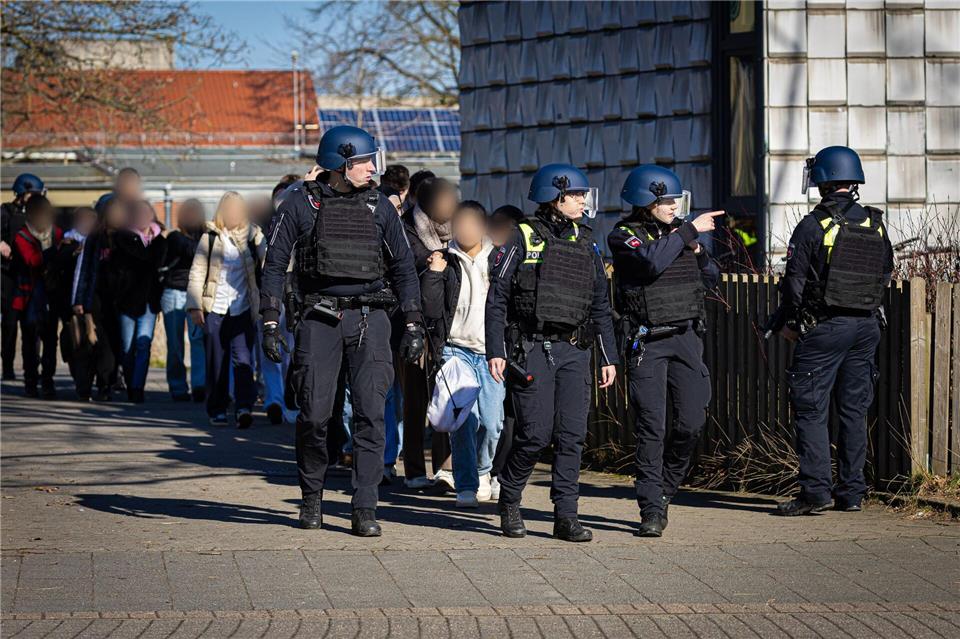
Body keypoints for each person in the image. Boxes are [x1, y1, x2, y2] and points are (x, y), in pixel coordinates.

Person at [259, 125, 424, 535]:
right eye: (364, 162)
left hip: (371, 318)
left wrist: (413, 322)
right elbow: (275, 264)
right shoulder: (301, 204)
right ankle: (311, 496)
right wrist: (270, 319)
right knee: (314, 414)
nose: (373, 169)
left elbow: (404, 268)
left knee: (371, 414)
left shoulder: (380, 207)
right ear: (340, 162)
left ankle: (364, 507)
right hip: (319, 317)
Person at [485, 163, 618, 542]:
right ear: (555, 197)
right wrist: (496, 349)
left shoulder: (586, 240)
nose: (582, 201)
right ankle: (509, 499)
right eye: (575, 194)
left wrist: (608, 358)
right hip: (533, 347)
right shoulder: (522, 237)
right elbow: (498, 298)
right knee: (535, 433)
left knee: (573, 434)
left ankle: (566, 516)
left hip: (575, 349)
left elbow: (599, 304)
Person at [774, 146, 894, 516]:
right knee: (853, 411)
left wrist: (791, 322)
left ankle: (814, 493)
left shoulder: (813, 225)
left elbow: (794, 284)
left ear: (823, 179)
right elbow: (885, 273)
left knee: (811, 410)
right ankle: (852, 494)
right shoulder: (874, 223)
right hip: (867, 326)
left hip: (826, 328)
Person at [608, 165, 723, 537]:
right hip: (648, 341)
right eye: (666, 200)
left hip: (686, 337)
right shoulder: (623, 235)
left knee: (692, 421)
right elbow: (650, 262)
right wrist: (687, 232)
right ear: (646, 201)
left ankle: (666, 489)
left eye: (676, 199)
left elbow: (711, 276)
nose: (674, 206)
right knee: (651, 426)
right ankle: (651, 507)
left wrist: (698, 251)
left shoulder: (680, 234)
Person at [421, 200, 504, 507]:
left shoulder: (498, 258)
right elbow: (430, 308)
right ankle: (466, 485)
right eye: (459, 224)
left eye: (471, 224)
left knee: (493, 422)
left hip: (492, 352)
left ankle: (484, 470)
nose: (464, 230)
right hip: (455, 351)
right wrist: (433, 274)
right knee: (464, 422)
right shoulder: (443, 258)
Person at [400, 176, 459, 490]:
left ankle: (445, 469)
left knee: (446, 396)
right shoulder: (407, 227)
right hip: (415, 325)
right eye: (445, 201)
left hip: (449, 326)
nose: (450, 207)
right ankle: (413, 469)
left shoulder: (459, 227)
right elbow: (403, 263)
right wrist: (430, 261)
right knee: (416, 401)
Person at [187, 192, 265, 428]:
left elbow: (269, 262)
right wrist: (194, 306)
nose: (233, 214)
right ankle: (217, 408)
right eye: (228, 209)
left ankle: (244, 406)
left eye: (237, 210)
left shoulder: (254, 235)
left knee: (243, 360)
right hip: (215, 308)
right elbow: (197, 272)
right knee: (217, 361)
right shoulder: (210, 237)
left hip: (243, 308)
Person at [109, 199, 167, 403]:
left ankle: (137, 387)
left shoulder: (160, 241)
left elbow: (161, 266)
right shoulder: (123, 238)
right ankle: (130, 379)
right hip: (127, 300)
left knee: (144, 344)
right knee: (127, 347)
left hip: (149, 302)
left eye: (146, 213)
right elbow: (118, 268)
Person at [73, 194, 127, 400]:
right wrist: (78, 300)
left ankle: (112, 378)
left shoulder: (127, 236)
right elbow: (83, 270)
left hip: (120, 299)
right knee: (101, 342)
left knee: (117, 342)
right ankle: (103, 384)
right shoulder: (95, 238)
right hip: (97, 298)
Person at [11, 195, 62, 398]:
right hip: (29, 295)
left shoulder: (57, 233)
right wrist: (54, 251)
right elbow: (32, 260)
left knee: (50, 340)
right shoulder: (22, 236)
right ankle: (30, 380)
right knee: (30, 339)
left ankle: (47, 380)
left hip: (51, 294)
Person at [160, 199, 206, 402]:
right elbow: (191, 251)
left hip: (197, 293)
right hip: (174, 292)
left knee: (197, 341)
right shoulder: (175, 237)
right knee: (175, 343)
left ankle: (200, 385)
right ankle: (178, 385)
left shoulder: (207, 236)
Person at [2, 173, 45, 381]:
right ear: (22, 193)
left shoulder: (38, 213)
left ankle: (32, 368)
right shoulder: (5, 213)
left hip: (30, 276)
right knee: (9, 324)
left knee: (32, 326)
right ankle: (8, 366)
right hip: (9, 276)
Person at [54, 206, 98, 400]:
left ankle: (93, 380)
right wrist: (71, 251)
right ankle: (82, 384)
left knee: (93, 344)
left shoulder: (98, 243)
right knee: (77, 344)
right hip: (71, 305)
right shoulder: (66, 242)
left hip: (93, 304)